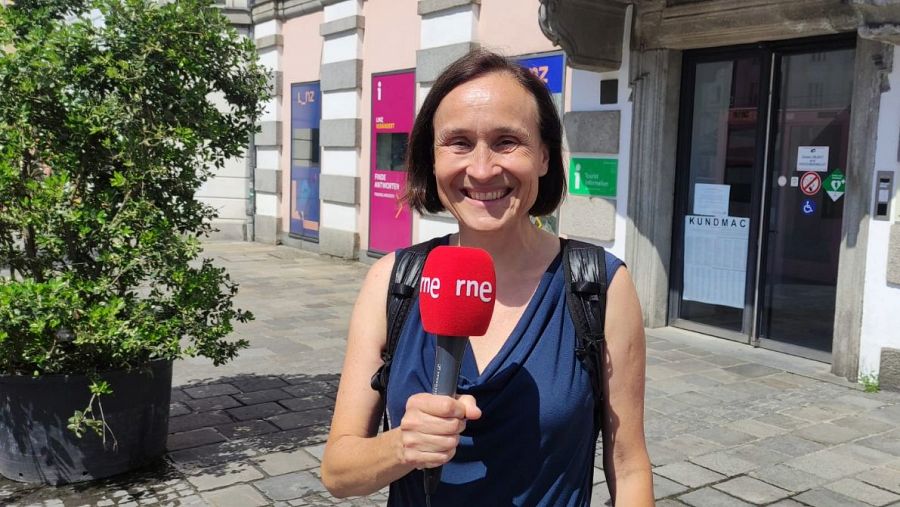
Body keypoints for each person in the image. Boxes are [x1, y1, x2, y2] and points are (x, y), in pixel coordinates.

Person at [321, 49, 653, 506]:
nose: (481, 169)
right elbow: (339, 474)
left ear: (543, 157)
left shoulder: (598, 286)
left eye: (506, 141)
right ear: (432, 160)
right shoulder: (391, 282)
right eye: (458, 142)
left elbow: (629, 463)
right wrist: (402, 445)